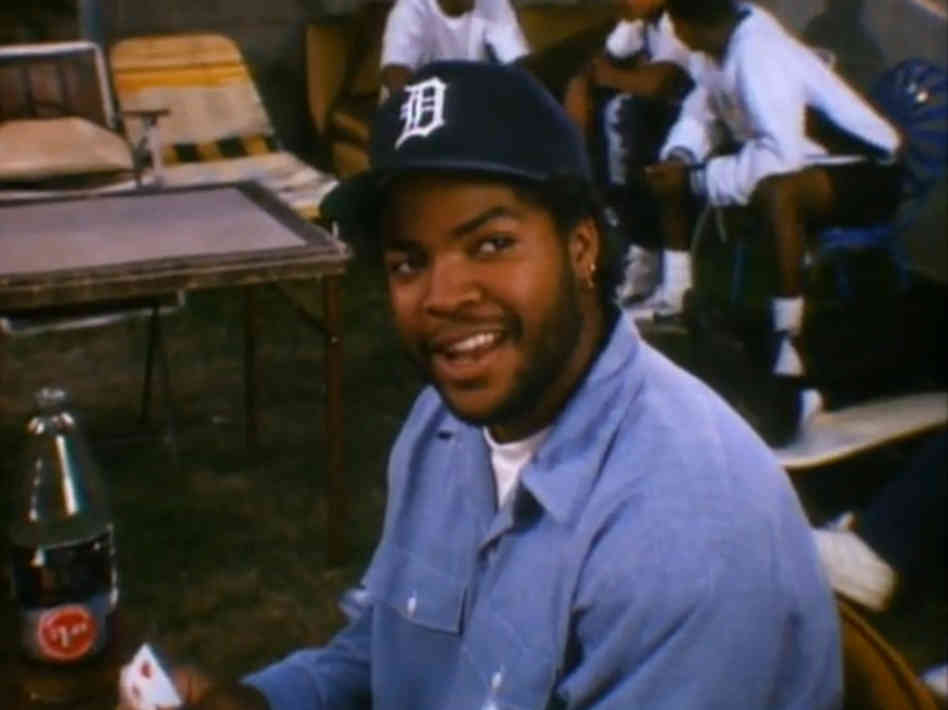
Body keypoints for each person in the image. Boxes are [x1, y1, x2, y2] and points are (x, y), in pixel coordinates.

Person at [156, 61, 841, 709]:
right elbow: (386, 649)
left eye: (490, 244)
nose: (443, 296)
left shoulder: (685, 536)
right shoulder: (439, 428)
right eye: (408, 262)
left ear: (581, 248)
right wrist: (264, 701)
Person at [635, 0, 902, 445]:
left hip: (868, 168)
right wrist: (680, 157)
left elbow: (780, 159)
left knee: (778, 194)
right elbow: (700, 114)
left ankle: (788, 342)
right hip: (805, 164)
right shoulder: (713, 47)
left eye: (673, 21)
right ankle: (676, 299)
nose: (672, 32)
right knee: (673, 174)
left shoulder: (759, 52)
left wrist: (699, 179)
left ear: (688, 23)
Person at [562, 0, 702, 303]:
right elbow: (592, 71)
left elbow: (663, 83)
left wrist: (611, 76)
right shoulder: (639, 23)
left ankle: (669, 277)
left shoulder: (683, 17)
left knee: (630, 112)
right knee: (609, 109)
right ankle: (638, 253)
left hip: (706, 123)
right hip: (675, 120)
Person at [379, 0, 529, 101]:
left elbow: (519, 63)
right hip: (419, 115)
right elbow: (395, 77)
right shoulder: (409, 9)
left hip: (467, 107)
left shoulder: (491, 3)